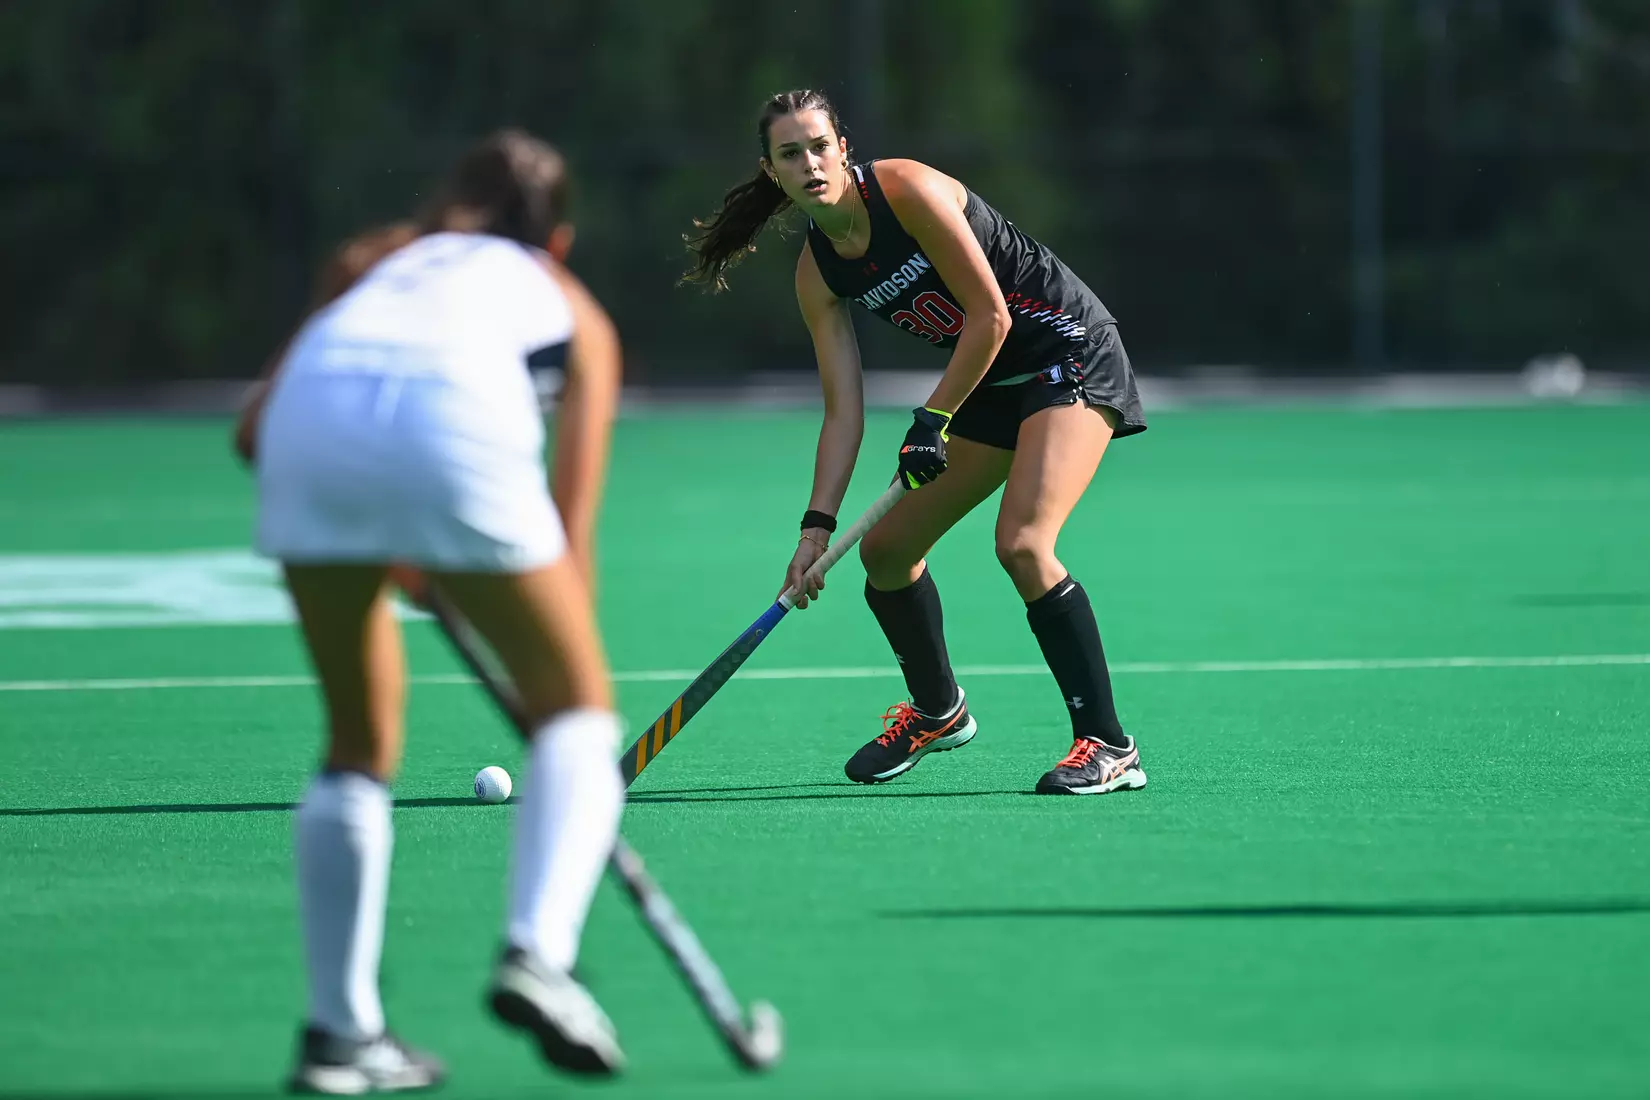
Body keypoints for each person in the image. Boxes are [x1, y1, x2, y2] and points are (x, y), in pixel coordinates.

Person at [237, 129, 628, 1093]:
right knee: (580, 714)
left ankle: (340, 1036)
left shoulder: (372, 259)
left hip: (310, 434)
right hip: (459, 427)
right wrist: (552, 695)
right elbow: (570, 528)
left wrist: (395, 534)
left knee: (356, 743)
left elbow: (252, 430)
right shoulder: (574, 309)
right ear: (558, 240)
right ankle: (539, 954)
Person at [683, 89, 1149, 797]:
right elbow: (843, 412)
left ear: (843, 147)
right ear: (772, 170)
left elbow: (990, 316)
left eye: (819, 146)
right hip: (992, 382)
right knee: (886, 551)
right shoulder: (817, 272)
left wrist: (932, 420)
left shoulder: (906, 190)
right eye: (791, 154)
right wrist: (815, 529)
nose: (810, 163)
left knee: (1023, 543)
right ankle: (938, 710)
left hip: (1069, 352)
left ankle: (1110, 745)